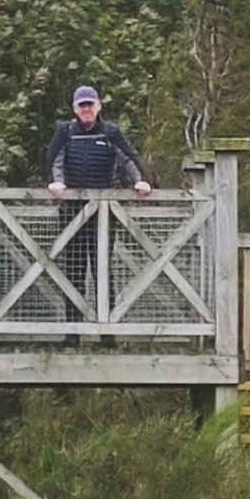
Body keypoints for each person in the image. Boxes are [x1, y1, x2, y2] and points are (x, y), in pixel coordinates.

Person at [46, 86, 151, 347]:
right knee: (74, 272)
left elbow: (128, 159)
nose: (86, 110)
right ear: (75, 109)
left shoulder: (110, 132)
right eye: (82, 105)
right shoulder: (66, 131)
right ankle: (72, 334)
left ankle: (108, 335)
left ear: (99, 106)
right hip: (72, 212)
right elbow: (52, 159)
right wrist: (55, 182)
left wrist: (140, 181)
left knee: (102, 271)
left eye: (90, 104)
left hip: (104, 215)